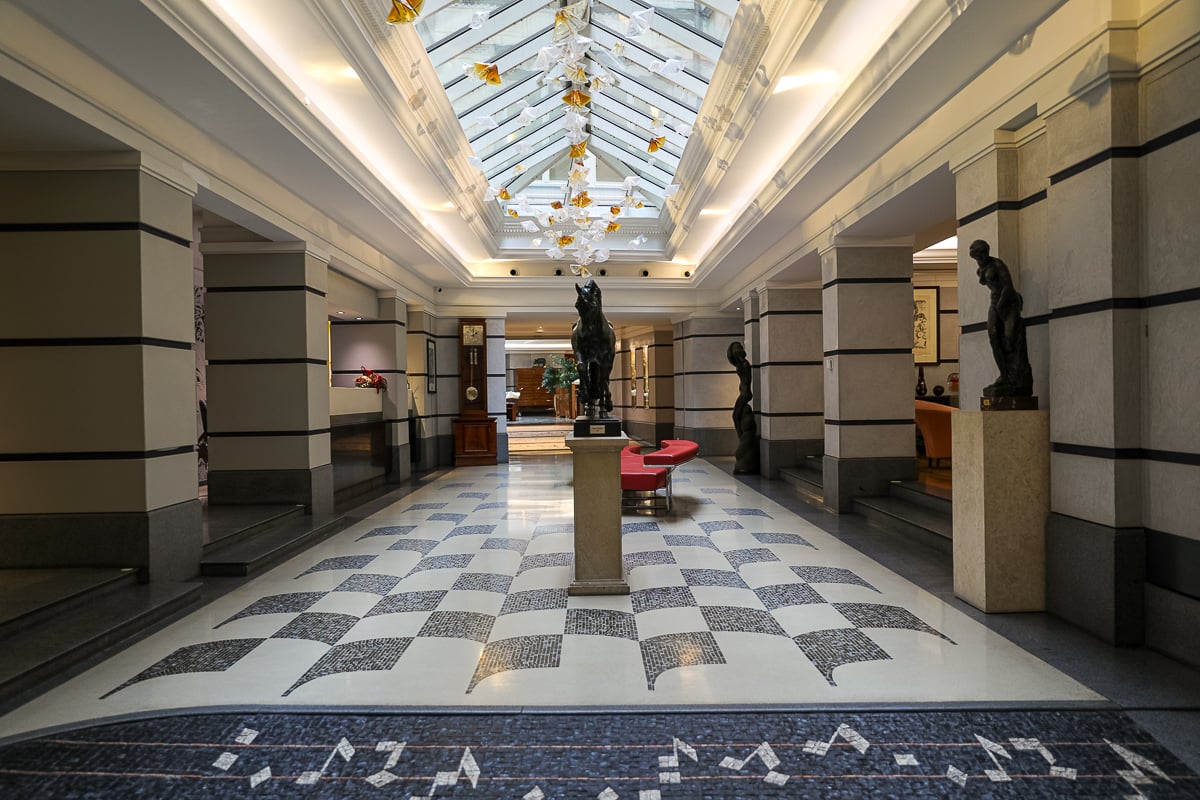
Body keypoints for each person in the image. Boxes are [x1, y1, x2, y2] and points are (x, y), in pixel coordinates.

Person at [969, 239, 1033, 397]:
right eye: (977, 256)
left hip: (1008, 302)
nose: (980, 258)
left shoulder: (997, 265)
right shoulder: (981, 269)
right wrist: (996, 306)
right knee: (993, 336)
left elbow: (1008, 287)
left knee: (1010, 338)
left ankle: (1016, 378)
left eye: (981, 255)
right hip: (995, 302)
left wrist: (1001, 305)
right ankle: (1004, 375)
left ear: (986, 252)